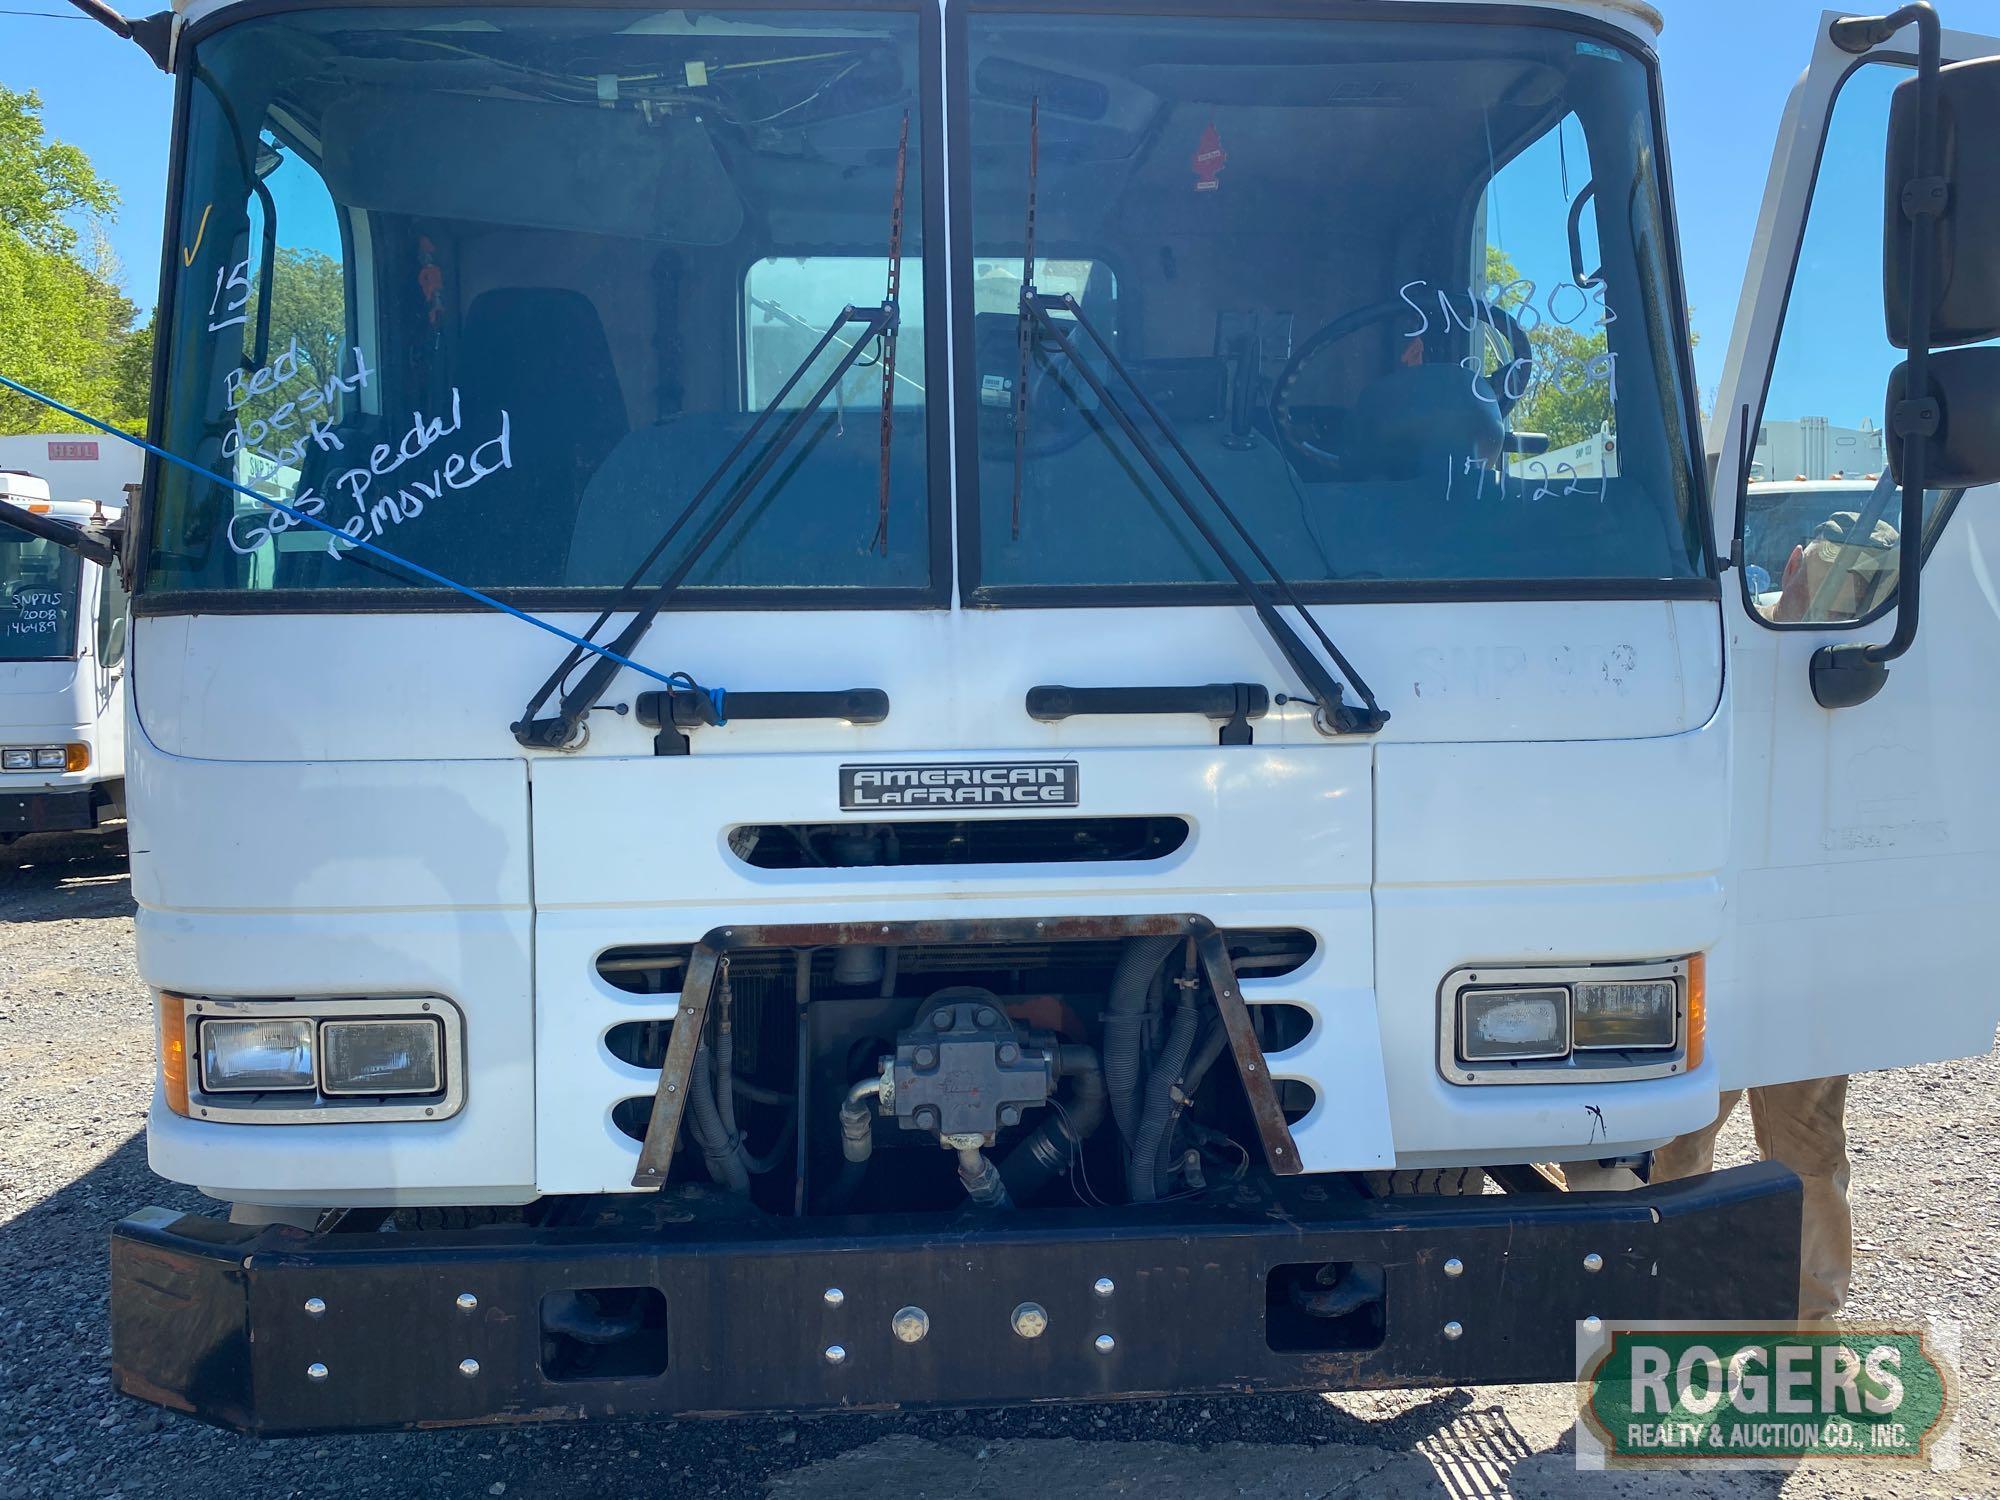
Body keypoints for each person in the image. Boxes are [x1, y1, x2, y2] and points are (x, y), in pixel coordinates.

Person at [1651, 1077, 1851, 1320]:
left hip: (1801, 1039)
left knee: (1813, 1155)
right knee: (1677, 1152)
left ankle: (1804, 1322)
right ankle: (1678, 1312)